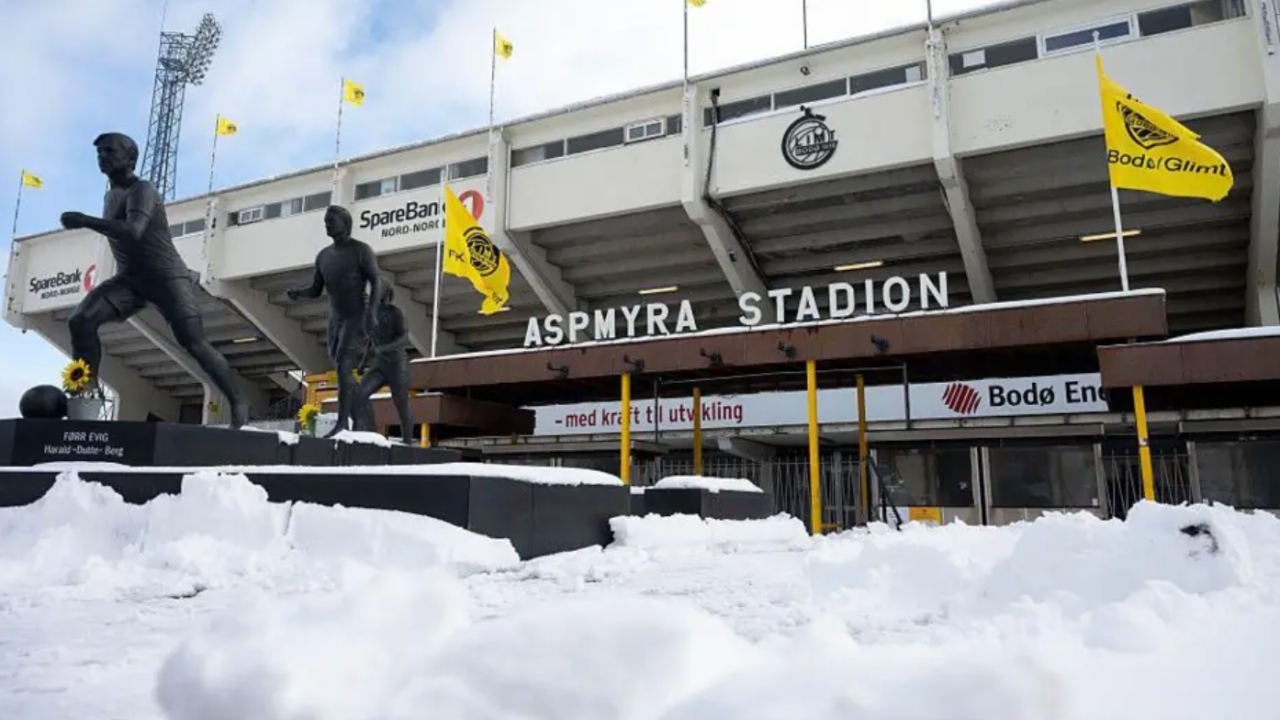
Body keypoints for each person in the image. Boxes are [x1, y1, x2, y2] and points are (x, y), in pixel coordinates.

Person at [60, 132, 248, 427]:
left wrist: (85, 221)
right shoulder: (110, 195)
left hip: (167, 277)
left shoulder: (142, 189)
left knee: (194, 342)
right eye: (99, 153)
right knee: (80, 321)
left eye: (110, 151)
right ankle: (86, 393)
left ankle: (238, 402)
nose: (103, 157)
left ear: (130, 158)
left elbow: (134, 230)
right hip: (131, 280)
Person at [286, 205, 381, 437]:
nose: (326, 225)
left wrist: (373, 313)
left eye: (331, 220)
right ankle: (363, 416)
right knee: (342, 371)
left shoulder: (360, 250)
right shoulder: (323, 256)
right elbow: (316, 289)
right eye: (325, 221)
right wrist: (299, 293)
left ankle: (342, 424)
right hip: (336, 318)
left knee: (343, 366)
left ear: (345, 223)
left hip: (357, 314)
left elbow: (376, 281)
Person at [354, 284, 414, 443]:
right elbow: (370, 341)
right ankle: (369, 435)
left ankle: (407, 442)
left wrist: (384, 349)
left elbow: (403, 338)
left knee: (401, 407)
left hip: (397, 365)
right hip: (380, 366)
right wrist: (362, 363)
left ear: (386, 293)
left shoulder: (395, 313)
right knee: (359, 395)